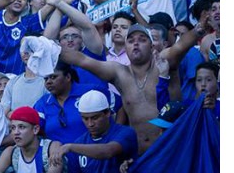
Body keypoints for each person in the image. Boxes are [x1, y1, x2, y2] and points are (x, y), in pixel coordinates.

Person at [60, 22, 204, 153]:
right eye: (130, 41)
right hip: (140, 156)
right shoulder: (119, 73)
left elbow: (181, 46)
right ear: (125, 47)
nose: (135, 44)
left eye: (142, 40)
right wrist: (53, 52)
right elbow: (83, 60)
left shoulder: (162, 62)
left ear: (152, 46)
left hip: (172, 151)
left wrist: (197, 31)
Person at [50, 90, 137, 173]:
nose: (90, 123)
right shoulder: (79, 143)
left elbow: (108, 151)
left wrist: (70, 147)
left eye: (95, 118)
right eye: (85, 118)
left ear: (107, 113)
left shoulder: (125, 133)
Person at [0, 0, 55, 96]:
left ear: (26, 5)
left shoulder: (26, 23)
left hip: (16, 85)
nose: (18, 0)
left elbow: (53, 3)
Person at [33, 62, 121, 144]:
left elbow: (122, 105)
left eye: (53, 77)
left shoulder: (91, 91)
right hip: (60, 158)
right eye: (46, 79)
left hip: (96, 155)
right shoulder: (43, 103)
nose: (48, 82)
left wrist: (116, 136)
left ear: (68, 77)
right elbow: (33, 129)